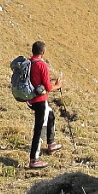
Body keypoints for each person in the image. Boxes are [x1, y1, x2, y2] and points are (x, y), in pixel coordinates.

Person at [27, 41, 62, 169]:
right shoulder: (42, 65)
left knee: (51, 115)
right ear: (43, 52)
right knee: (39, 128)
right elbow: (47, 87)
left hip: (30, 99)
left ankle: (51, 143)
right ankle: (34, 160)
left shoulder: (29, 63)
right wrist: (57, 86)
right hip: (40, 100)